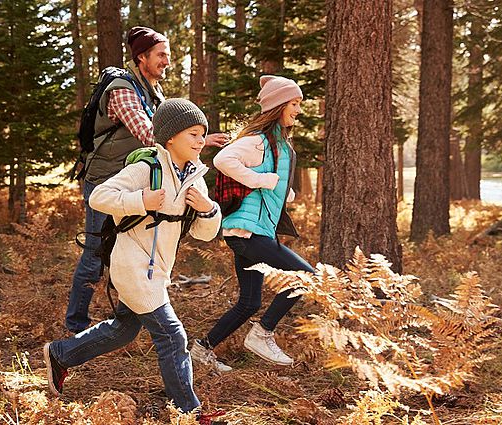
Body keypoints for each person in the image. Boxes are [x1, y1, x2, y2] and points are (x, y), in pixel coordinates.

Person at [45, 99, 226, 424]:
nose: (201, 141)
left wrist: (208, 208)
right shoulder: (147, 169)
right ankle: (189, 412)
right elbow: (99, 196)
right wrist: (140, 200)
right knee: (172, 336)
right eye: (194, 134)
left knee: (124, 330)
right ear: (170, 137)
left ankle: (61, 354)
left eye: (203, 134)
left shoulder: (195, 178)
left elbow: (203, 234)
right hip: (132, 264)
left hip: (157, 271)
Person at [66, 26, 228, 334]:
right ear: (142, 57)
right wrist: (199, 141)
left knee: (131, 250)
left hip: (137, 183)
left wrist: (192, 140)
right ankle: (75, 324)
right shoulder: (122, 90)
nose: (167, 60)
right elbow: (149, 135)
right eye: (161, 54)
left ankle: (128, 322)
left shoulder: (152, 92)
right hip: (108, 182)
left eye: (168, 54)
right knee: (95, 254)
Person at [190, 75, 315, 374]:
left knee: (249, 302)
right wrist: (261, 180)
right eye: (294, 104)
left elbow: (272, 179)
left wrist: (283, 191)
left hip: (248, 233)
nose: (298, 110)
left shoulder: (279, 143)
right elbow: (223, 159)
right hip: (249, 232)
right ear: (278, 105)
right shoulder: (257, 140)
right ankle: (262, 334)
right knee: (304, 277)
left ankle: (200, 350)